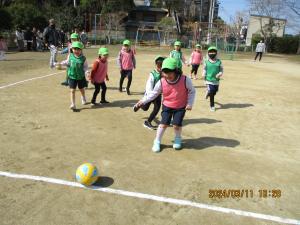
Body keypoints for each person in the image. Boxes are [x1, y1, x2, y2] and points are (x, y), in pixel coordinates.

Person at [134, 58, 196, 153]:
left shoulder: (185, 80)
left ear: (176, 70)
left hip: (180, 107)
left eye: (170, 72)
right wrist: (143, 101)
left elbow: (192, 91)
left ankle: (177, 139)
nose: (167, 75)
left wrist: (189, 103)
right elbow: (153, 94)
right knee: (163, 124)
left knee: (176, 125)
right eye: (165, 72)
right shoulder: (161, 82)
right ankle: (157, 141)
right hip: (167, 106)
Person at [133, 56, 165, 130]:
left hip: (158, 94)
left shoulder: (164, 74)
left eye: (162, 66)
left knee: (157, 108)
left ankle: (148, 122)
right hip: (150, 94)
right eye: (159, 66)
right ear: (156, 65)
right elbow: (148, 87)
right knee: (145, 108)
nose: (160, 68)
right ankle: (139, 104)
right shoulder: (152, 74)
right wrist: (149, 97)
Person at [58, 41, 89, 110]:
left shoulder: (83, 58)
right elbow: (67, 62)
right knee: (72, 90)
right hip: (72, 76)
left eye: (78, 49)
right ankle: (73, 104)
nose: (76, 51)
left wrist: (87, 72)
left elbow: (85, 67)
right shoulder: (70, 56)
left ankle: (83, 97)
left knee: (81, 89)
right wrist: (61, 63)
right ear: (72, 49)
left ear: (81, 50)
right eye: (75, 49)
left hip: (80, 77)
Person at [202, 46, 223, 112]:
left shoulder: (219, 61)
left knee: (215, 91)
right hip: (208, 80)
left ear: (216, 53)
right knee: (212, 92)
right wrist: (203, 74)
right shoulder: (206, 61)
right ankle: (212, 106)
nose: (212, 53)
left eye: (213, 52)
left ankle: (208, 93)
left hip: (216, 80)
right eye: (210, 52)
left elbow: (221, 70)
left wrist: (219, 74)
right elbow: (204, 69)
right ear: (208, 53)